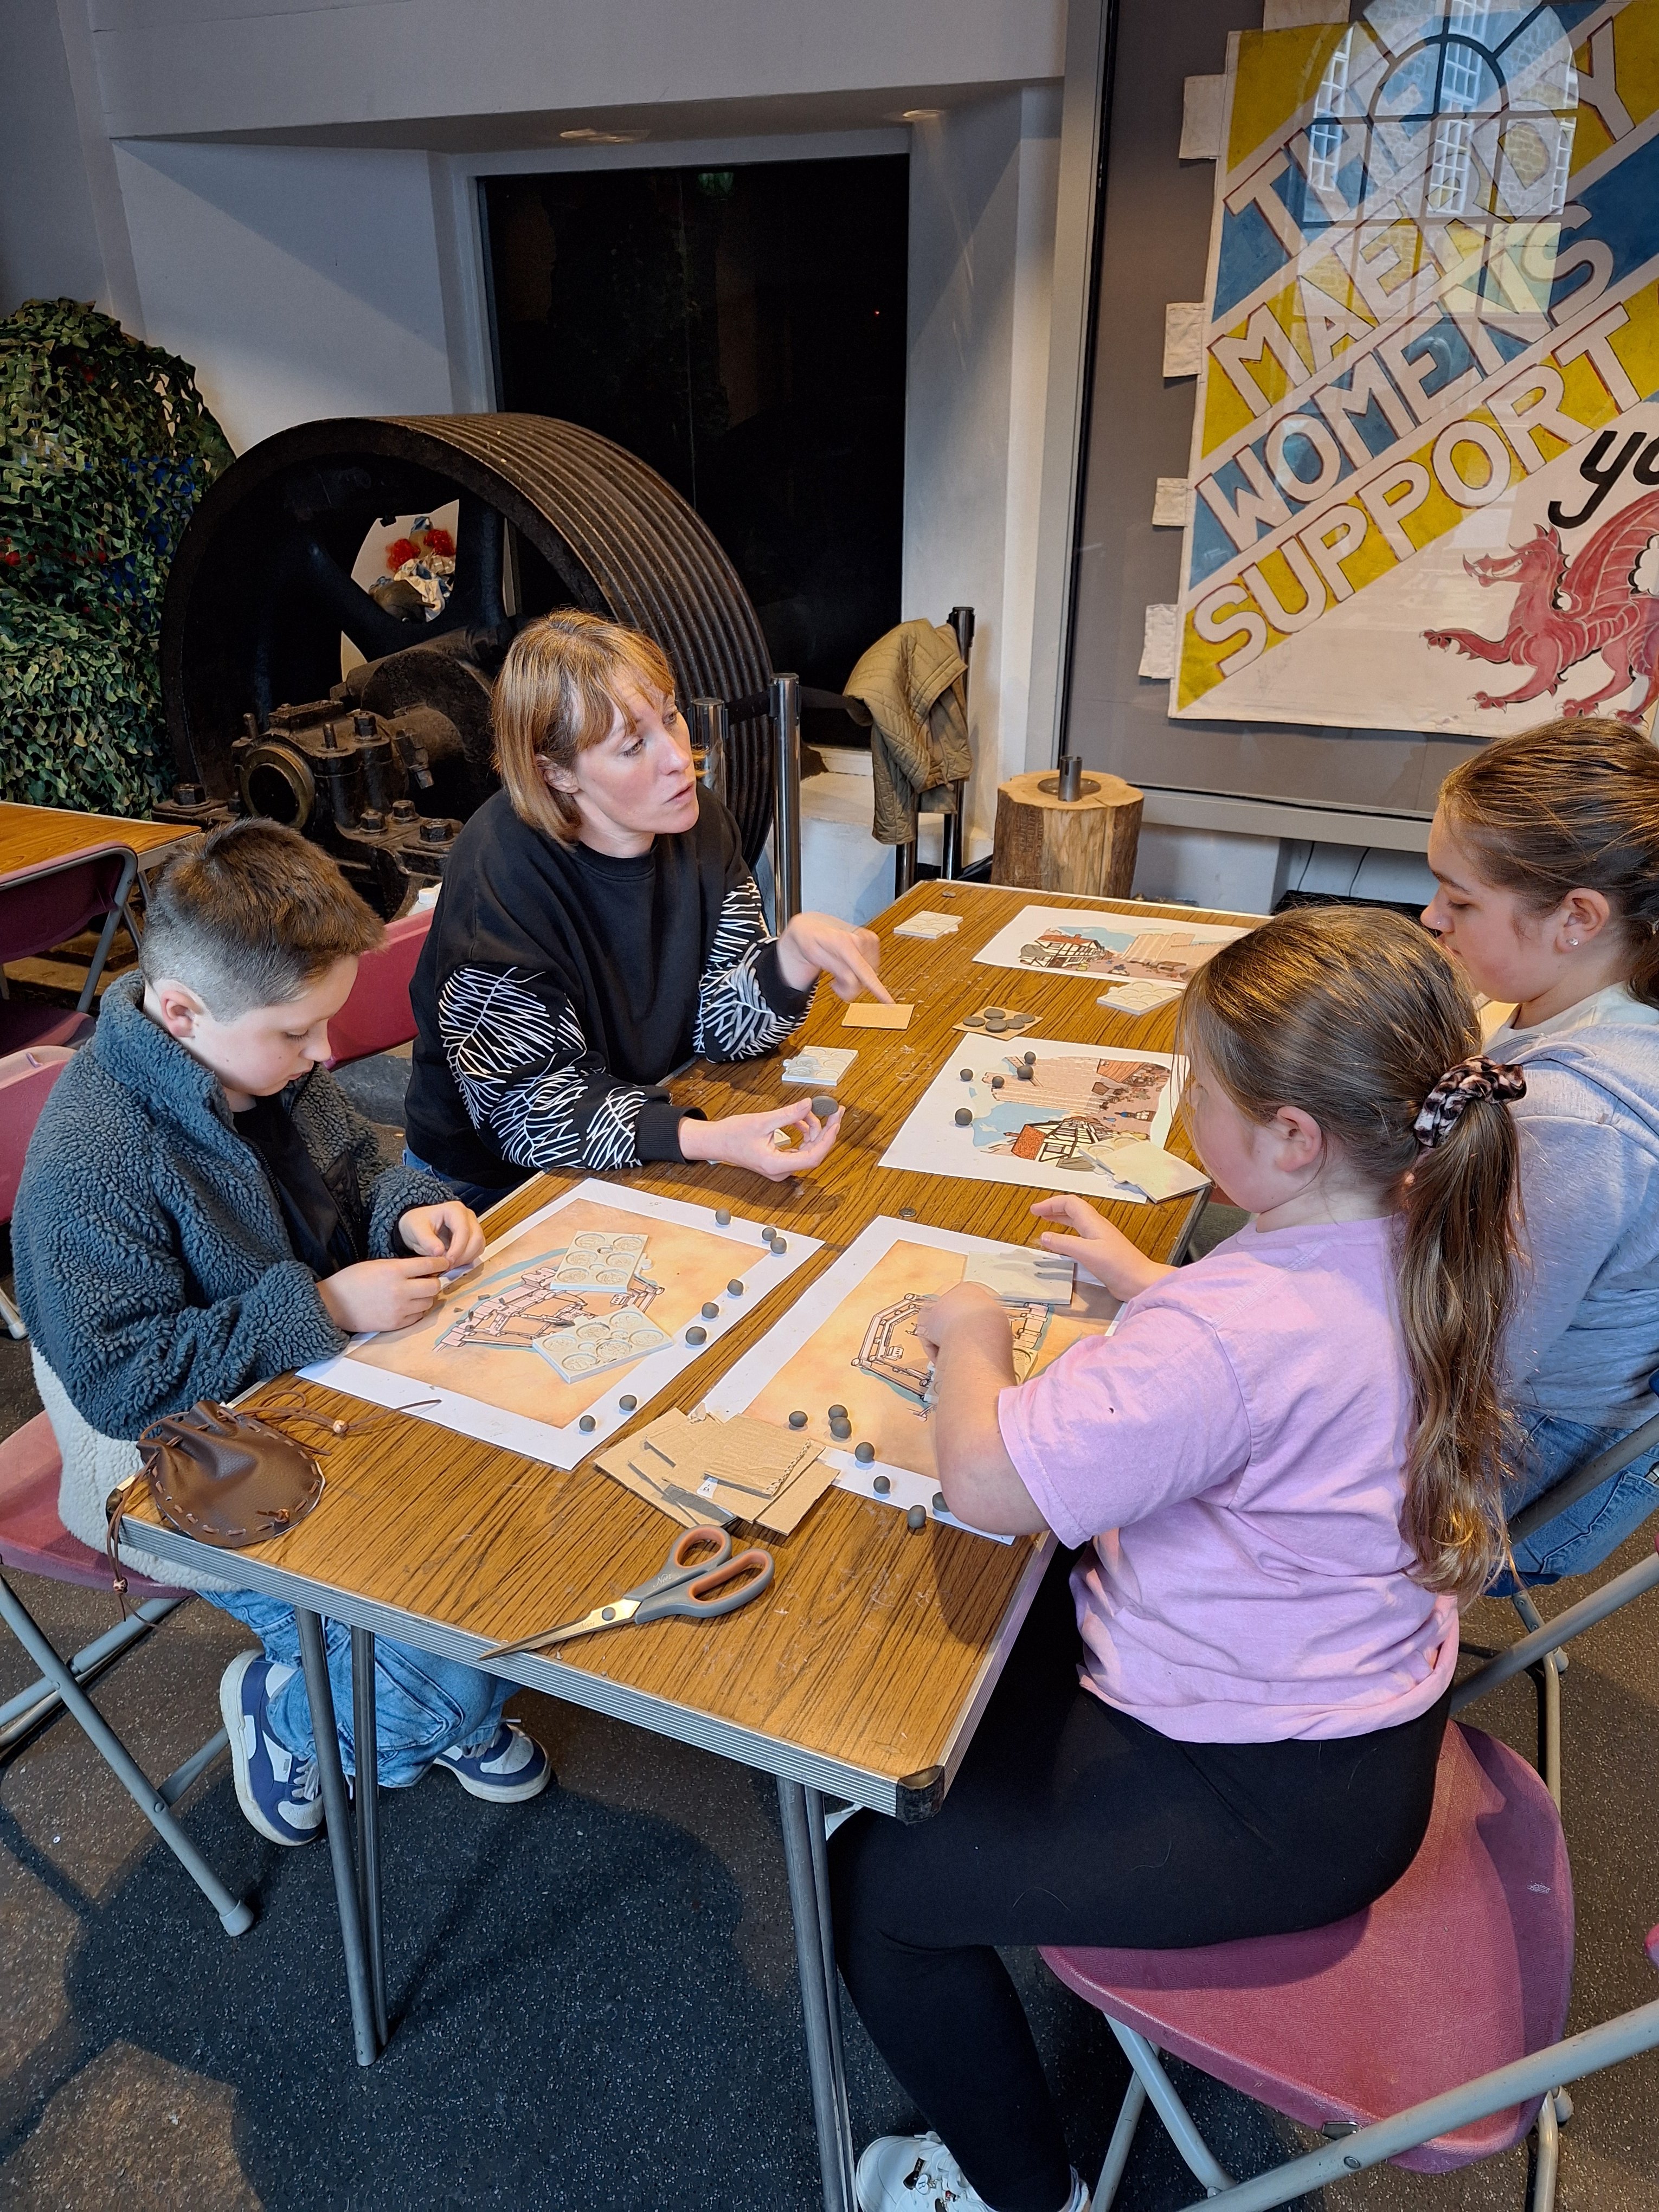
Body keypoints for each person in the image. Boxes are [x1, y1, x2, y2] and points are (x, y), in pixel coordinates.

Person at [833, 905, 1523, 2212]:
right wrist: (1155, 1280)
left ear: (1291, 1137)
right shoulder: (1423, 1215)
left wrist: (972, 1330)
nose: (1177, 1116)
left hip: (1273, 1795)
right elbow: (1296, 1353)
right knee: (977, 1656)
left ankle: (1027, 2191)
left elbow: (986, 1479)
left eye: (1196, 1091)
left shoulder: (1236, 1328)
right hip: (1343, 1708)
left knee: (881, 1889)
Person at [14, 821, 552, 1848]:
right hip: (157, 1458)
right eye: (297, 1034)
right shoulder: (95, 1157)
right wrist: (329, 1308)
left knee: (513, 1547)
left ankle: (421, 1701)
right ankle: (292, 1716)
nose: (323, 1056)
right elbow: (121, 1382)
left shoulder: (256, 1054)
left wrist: (405, 1204)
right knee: (453, 1674)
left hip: (305, 1383)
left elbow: (358, 1156)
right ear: (182, 1011)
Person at [405, 610, 888, 1207]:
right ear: (555, 772)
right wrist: (701, 1137)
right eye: (634, 746)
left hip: (644, 1123)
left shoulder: (695, 818)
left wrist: (789, 959)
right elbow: (528, 1113)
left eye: (671, 717)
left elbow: (722, 1030)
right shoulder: (499, 877)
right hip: (491, 1188)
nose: (679, 759)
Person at [1424, 716, 1659, 1585]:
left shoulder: (1575, 1121)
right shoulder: (1556, 1002)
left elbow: (1475, 1363)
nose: (1431, 916)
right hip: (1496, 1390)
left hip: (1521, 1455)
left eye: (1461, 900)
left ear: (1576, 919)